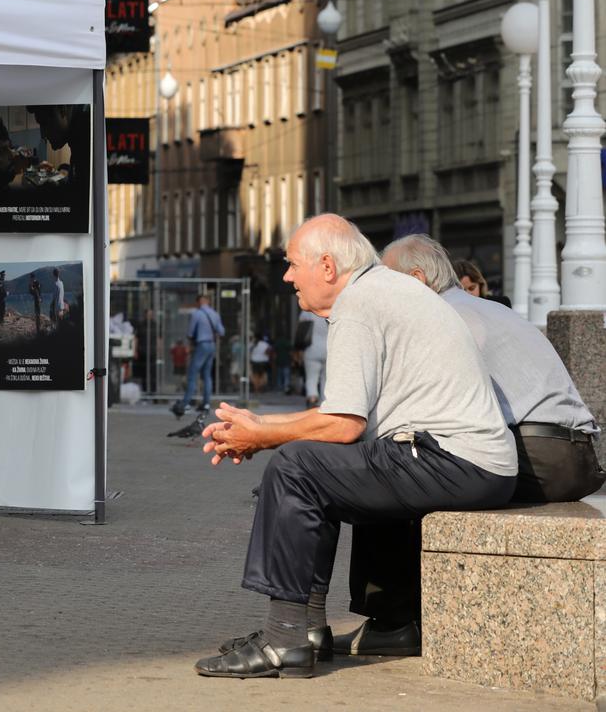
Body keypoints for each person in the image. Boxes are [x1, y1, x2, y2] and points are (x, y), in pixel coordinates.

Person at [192, 215, 515, 680]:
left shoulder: (360, 303)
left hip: (455, 460)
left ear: (327, 266)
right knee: (307, 465)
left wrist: (263, 437)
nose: (286, 276)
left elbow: (342, 425)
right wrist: (259, 427)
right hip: (466, 461)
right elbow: (341, 422)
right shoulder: (379, 291)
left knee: (294, 468)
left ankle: (284, 641)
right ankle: (306, 631)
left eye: (292, 264)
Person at [345, 234, 606, 656]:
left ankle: (391, 622)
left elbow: (411, 413)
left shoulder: (441, 318)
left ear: (415, 279)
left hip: (539, 454)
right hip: (574, 454)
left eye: (387, 281)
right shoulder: (483, 308)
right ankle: (397, 619)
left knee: (389, 470)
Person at [172, 294, 223, 418]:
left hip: (201, 345)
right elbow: (222, 331)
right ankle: (206, 404)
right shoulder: (215, 314)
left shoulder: (197, 314)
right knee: (207, 375)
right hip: (211, 345)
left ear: (199, 302)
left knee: (192, 374)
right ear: (208, 302)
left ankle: (186, 403)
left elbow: (190, 332)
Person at [296, 308, 327, 409]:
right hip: (329, 349)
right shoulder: (331, 309)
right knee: (326, 379)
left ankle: (312, 400)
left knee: (311, 378)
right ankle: (324, 403)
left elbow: (301, 330)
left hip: (311, 349)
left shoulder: (308, 311)